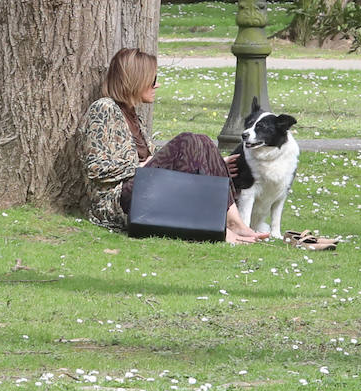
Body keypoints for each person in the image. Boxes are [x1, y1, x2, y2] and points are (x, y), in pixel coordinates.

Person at [82, 48, 268, 244]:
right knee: (186, 141)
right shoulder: (104, 108)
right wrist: (139, 167)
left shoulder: (134, 115)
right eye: (152, 80)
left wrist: (212, 163)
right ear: (135, 80)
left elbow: (156, 162)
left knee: (203, 141)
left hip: (141, 189)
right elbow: (96, 169)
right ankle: (222, 225)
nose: (157, 85)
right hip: (117, 201)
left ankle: (234, 222)